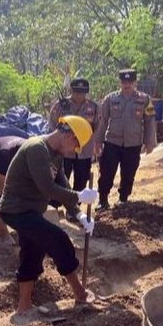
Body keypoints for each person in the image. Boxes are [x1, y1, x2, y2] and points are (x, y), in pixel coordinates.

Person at [0, 115, 98, 316]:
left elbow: (62, 187)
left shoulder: (56, 156)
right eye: (75, 145)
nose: (73, 151)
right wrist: (79, 196)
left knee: (33, 252)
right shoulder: (37, 148)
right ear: (67, 134)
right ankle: (80, 293)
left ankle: (24, 307)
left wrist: (80, 215)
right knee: (57, 239)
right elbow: (47, 187)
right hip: (15, 210)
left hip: (30, 212)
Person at [96, 69, 156, 210]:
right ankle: (103, 200)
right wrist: (98, 141)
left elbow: (150, 121)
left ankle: (123, 199)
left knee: (129, 173)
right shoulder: (110, 99)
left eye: (130, 82)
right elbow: (102, 121)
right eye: (124, 82)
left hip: (133, 144)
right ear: (120, 83)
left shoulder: (145, 99)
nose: (127, 85)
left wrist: (149, 142)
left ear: (135, 82)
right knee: (106, 172)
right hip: (112, 142)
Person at [49, 78, 100, 222]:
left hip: (84, 151)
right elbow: (52, 125)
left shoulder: (94, 107)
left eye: (82, 93)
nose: (79, 95)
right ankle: (55, 208)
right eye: (76, 92)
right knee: (59, 178)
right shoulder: (60, 105)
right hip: (64, 150)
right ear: (71, 90)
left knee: (81, 179)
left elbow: (97, 126)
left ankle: (73, 209)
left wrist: (93, 144)